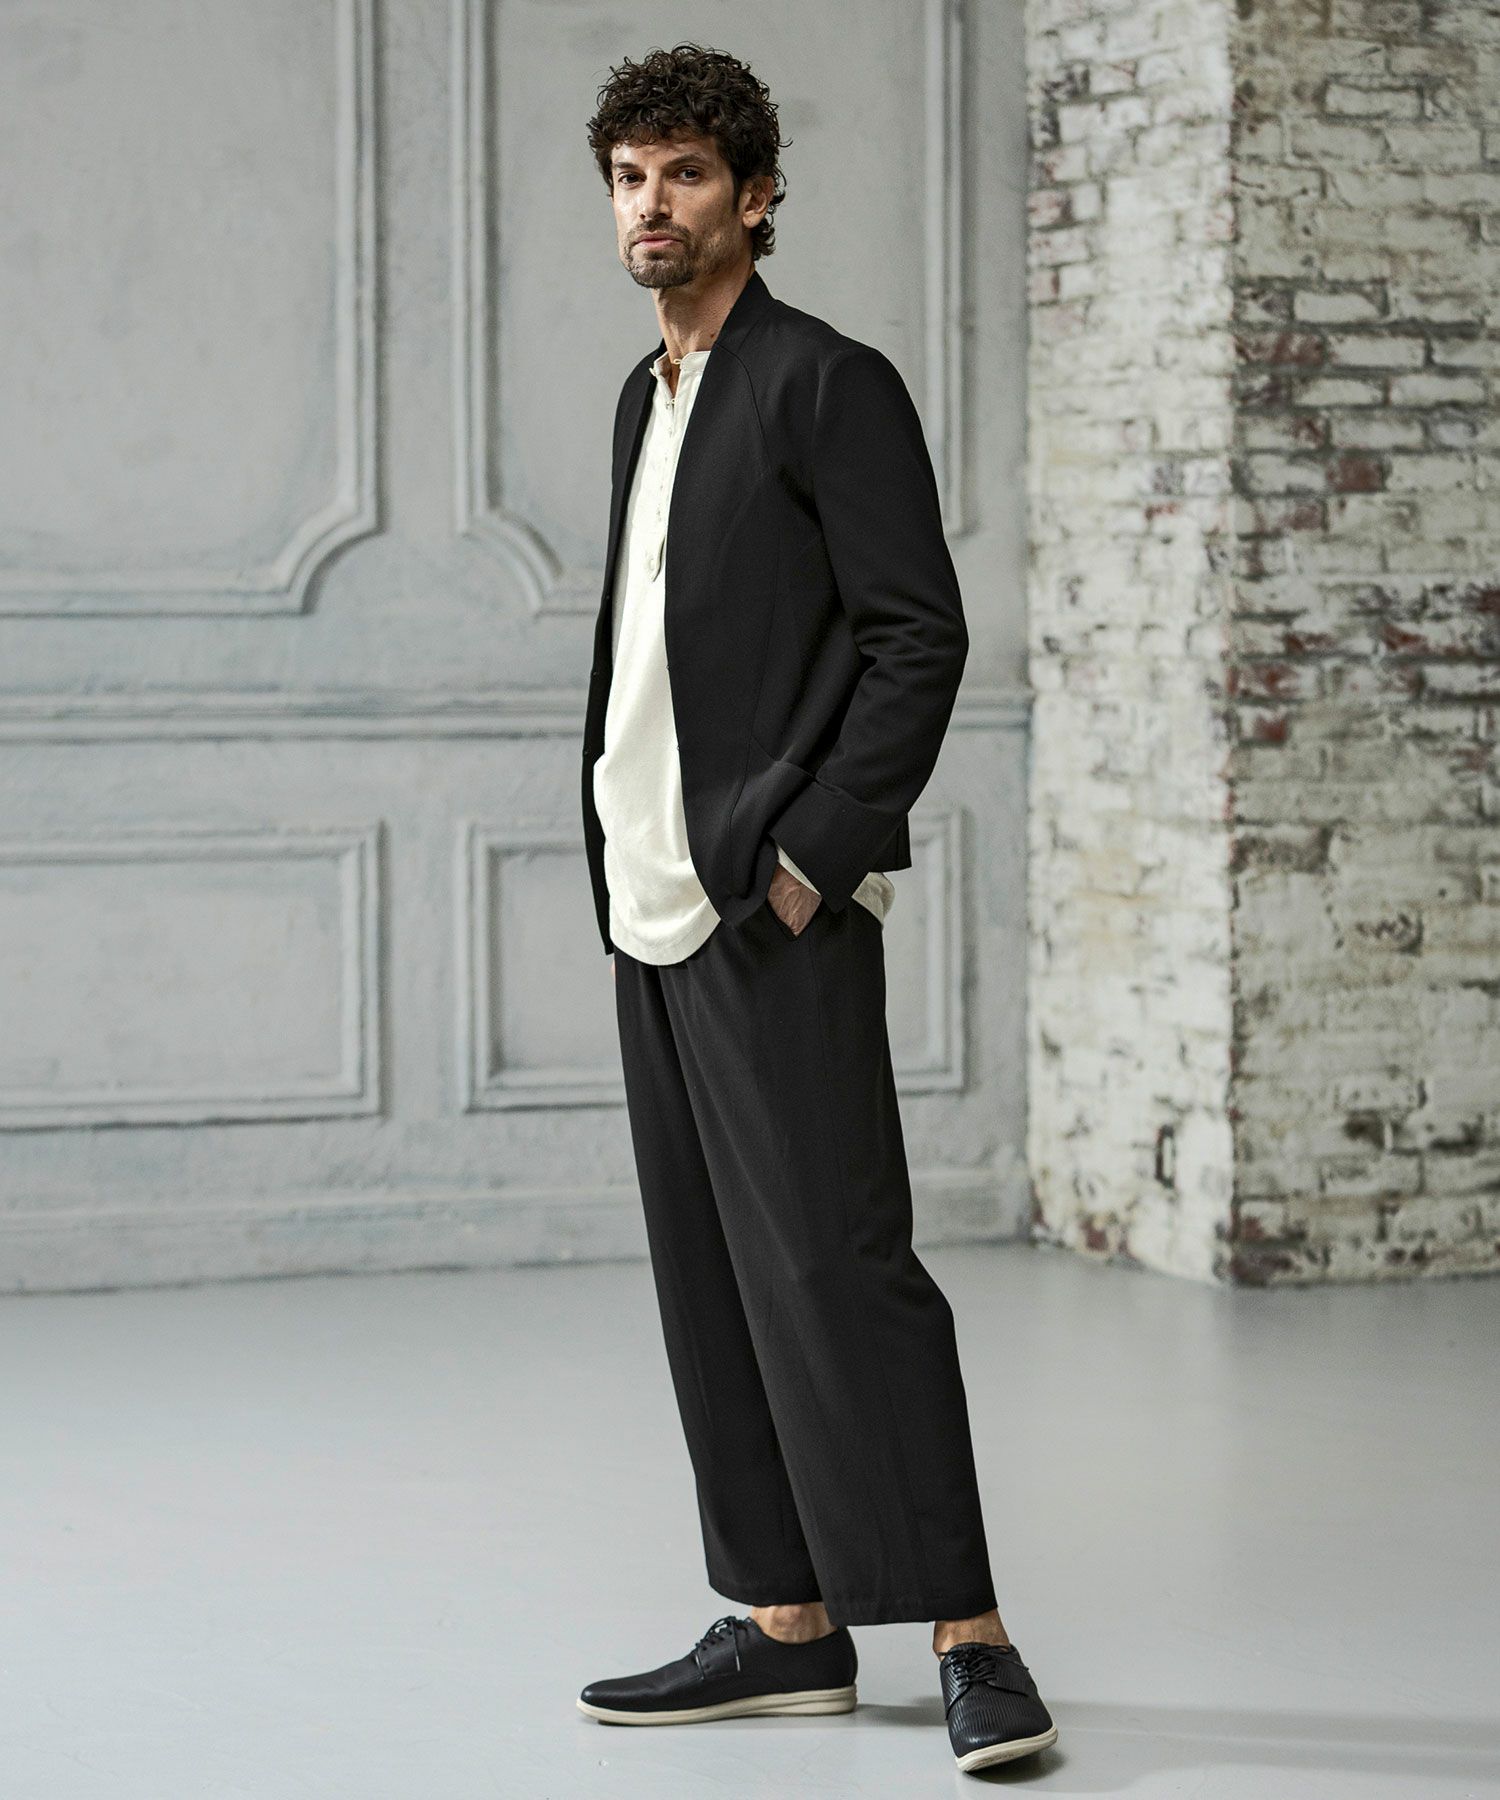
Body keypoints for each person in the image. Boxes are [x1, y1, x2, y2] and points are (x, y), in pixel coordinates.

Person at [573, 43, 1057, 1775]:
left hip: (763, 902)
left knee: (840, 1266)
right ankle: (785, 1623)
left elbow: (921, 634)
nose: (653, 205)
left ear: (758, 195)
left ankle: (972, 1638)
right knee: (713, 1281)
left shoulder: (824, 382)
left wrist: (812, 856)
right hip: (649, 896)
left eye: (687, 174)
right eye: (630, 176)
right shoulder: (644, 397)